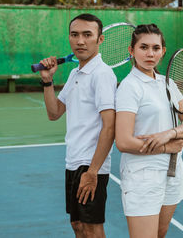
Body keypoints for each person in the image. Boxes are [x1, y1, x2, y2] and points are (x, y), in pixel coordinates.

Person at [115, 24, 183, 238]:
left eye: (155, 48)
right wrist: (166, 147)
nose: (150, 53)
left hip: (172, 172)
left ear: (163, 51)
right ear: (131, 50)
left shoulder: (168, 83)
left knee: (160, 234)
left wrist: (170, 133)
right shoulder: (129, 87)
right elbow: (124, 142)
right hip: (142, 175)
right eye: (143, 47)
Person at [39, 13, 117, 238]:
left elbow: (109, 127)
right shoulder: (76, 72)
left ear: (99, 39)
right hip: (73, 160)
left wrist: (92, 172)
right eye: (75, 35)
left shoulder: (102, 75)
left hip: (90, 164)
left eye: (87, 35)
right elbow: (54, 113)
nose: (80, 41)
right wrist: (47, 80)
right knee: (78, 225)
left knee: (91, 228)